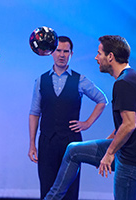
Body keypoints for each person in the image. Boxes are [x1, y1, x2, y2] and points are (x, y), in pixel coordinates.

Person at [44, 35, 136, 200]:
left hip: (133, 160)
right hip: (128, 150)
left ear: (110, 56)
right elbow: (125, 123)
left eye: (99, 53)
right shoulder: (133, 77)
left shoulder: (124, 83)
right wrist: (108, 146)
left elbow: (130, 125)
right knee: (73, 150)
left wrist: (109, 153)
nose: (96, 58)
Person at [28, 36, 108, 199]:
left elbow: (102, 100)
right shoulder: (41, 80)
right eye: (58, 51)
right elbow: (34, 113)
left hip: (71, 142)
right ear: (51, 52)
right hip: (47, 141)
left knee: (70, 189)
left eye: (66, 51)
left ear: (71, 53)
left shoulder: (79, 80)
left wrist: (87, 123)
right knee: (47, 186)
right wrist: (31, 144)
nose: (62, 55)